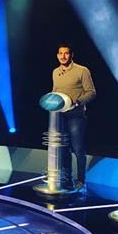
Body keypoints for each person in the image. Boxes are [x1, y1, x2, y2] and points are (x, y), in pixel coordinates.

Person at [52, 44, 96, 190]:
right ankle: (67, 178)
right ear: (57, 55)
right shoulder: (55, 72)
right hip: (60, 116)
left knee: (78, 148)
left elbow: (91, 92)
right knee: (64, 148)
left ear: (71, 55)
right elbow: (55, 91)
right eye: (60, 53)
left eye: (66, 53)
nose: (63, 56)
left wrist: (77, 101)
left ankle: (81, 180)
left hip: (76, 115)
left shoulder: (82, 70)